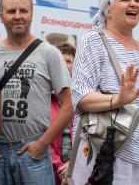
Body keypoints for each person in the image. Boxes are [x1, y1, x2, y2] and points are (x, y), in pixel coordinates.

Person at [71, 0, 139, 185]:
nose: (133, 4)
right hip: (109, 155)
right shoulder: (93, 40)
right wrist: (118, 99)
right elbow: (80, 96)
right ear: (107, 9)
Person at [0, 0, 73, 185]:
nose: (17, 16)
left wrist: (42, 143)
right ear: (1, 16)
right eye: (11, 11)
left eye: (23, 10)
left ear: (31, 14)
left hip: (33, 152)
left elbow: (69, 104)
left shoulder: (49, 53)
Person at [51, 42, 75, 185]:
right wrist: (60, 167)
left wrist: (74, 165)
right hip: (52, 172)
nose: (65, 65)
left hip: (80, 172)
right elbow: (40, 136)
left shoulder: (85, 98)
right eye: (61, 61)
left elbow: (91, 138)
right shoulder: (44, 97)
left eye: (68, 61)